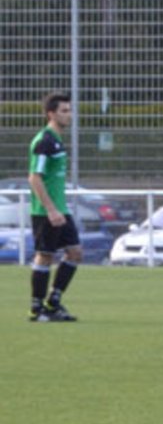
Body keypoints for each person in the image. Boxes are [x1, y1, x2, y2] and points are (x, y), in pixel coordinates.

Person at [26, 91, 81, 322]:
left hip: (61, 208)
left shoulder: (57, 139)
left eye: (70, 110)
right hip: (46, 210)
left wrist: (58, 208)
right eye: (64, 111)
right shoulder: (45, 141)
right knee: (45, 256)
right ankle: (36, 308)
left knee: (75, 253)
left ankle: (53, 302)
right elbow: (34, 177)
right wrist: (50, 209)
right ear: (51, 114)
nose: (69, 115)